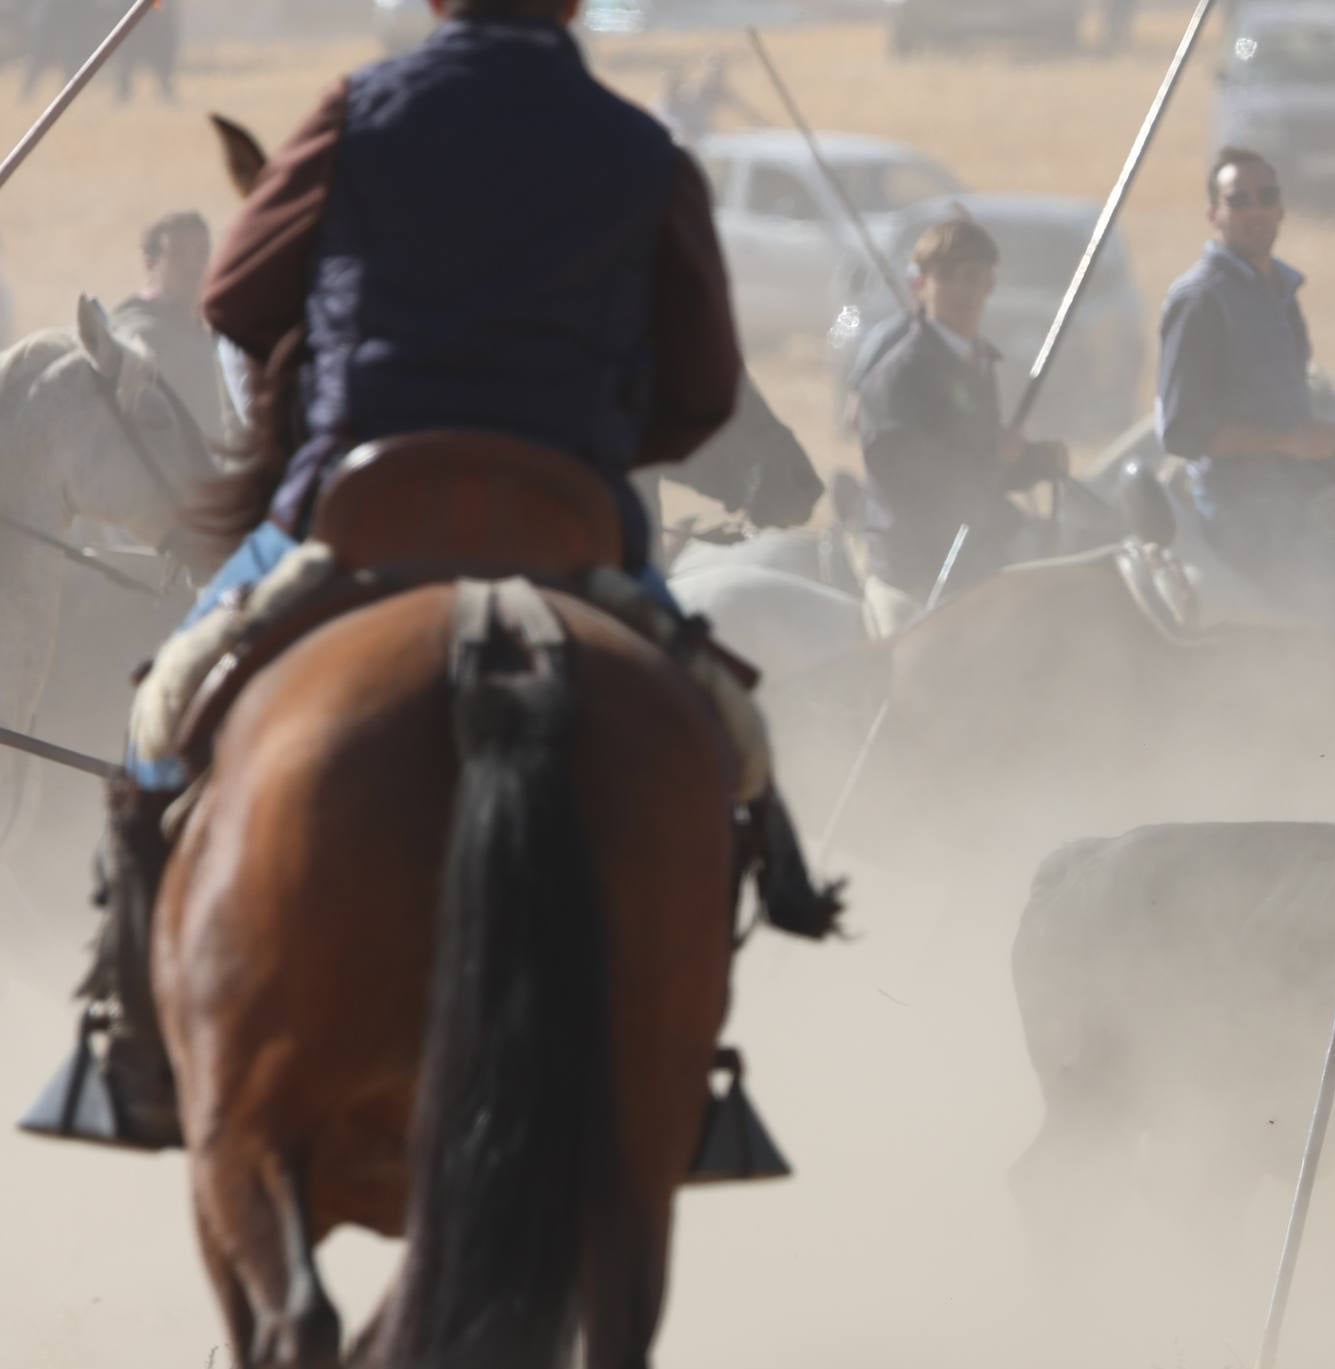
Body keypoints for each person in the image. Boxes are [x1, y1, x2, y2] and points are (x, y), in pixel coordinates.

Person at [84, 0, 830, 1147]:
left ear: (435, 1)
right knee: (728, 741)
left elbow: (235, 300)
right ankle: (696, 1079)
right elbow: (700, 395)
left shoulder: (354, 116)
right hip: (573, 519)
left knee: (159, 714)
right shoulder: (642, 150)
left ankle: (129, 1048)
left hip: (359, 506)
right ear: (575, 4)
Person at [1155, 148, 1335, 624]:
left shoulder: (1280, 290)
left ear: (1281, 208)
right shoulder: (1200, 300)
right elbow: (1179, 431)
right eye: (1239, 200)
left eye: (1266, 196)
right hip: (1243, 511)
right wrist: (1287, 443)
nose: (1255, 209)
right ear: (1214, 215)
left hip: (1298, 496)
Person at [855, 212, 1065, 624]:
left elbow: (986, 473)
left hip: (976, 551)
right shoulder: (899, 373)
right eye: (947, 275)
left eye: (974, 276)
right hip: (915, 565)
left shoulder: (980, 363)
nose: (961, 288)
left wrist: (1037, 462)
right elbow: (904, 476)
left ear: (990, 286)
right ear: (921, 284)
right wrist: (994, 454)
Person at [110, 210, 233, 443]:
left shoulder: (209, 332)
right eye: (177, 255)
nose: (192, 266)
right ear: (151, 264)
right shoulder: (135, 337)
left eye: (201, 254)